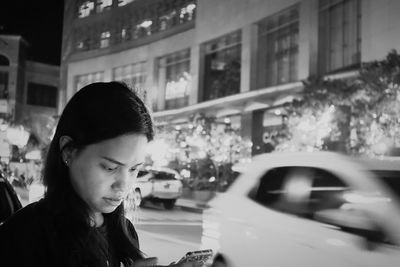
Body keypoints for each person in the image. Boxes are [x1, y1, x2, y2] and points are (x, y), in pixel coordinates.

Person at [0, 82, 201, 267]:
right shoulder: (26, 234)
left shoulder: (125, 232)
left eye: (134, 169)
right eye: (110, 168)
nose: (124, 185)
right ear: (68, 152)